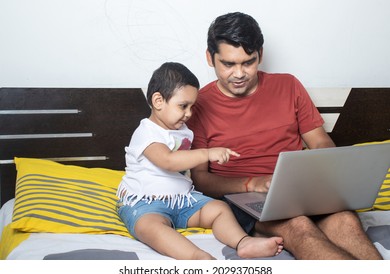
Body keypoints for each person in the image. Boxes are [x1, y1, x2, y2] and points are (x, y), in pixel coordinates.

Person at [186, 12, 382, 260]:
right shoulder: (198, 105)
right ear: (209, 58)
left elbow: (320, 141)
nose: (239, 73)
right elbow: (201, 179)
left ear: (261, 55)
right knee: (299, 226)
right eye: (228, 64)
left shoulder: (288, 86)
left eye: (248, 62)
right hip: (242, 199)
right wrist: (251, 183)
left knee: (346, 221)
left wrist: (325, 176)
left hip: (299, 189)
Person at [116, 62, 283, 260]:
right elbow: (168, 161)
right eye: (183, 106)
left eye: (192, 107)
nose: (189, 113)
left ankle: (243, 242)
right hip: (146, 202)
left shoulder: (183, 131)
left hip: (183, 200)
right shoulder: (146, 132)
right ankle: (196, 256)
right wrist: (206, 153)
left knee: (220, 209)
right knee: (149, 227)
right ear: (158, 100)